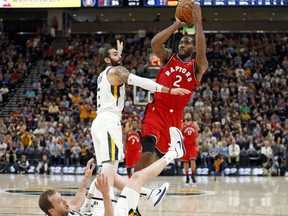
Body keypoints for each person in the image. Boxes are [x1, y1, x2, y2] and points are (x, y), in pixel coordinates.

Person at [91, 42, 190, 212]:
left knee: (109, 172)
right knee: (109, 171)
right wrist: (168, 90)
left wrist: (117, 55)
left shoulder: (103, 74)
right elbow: (137, 80)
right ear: (107, 59)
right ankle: (103, 210)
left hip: (99, 122)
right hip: (109, 121)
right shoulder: (115, 70)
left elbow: (115, 66)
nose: (120, 57)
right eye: (115, 54)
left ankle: (149, 193)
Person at [38, 127, 185, 216]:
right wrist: (106, 195)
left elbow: (76, 202)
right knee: (136, 177)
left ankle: (150, 194)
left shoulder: (62, 210)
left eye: (61, 197)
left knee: (105, 176)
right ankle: (174, 152)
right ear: (51, 210)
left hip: (97, 211)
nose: (64, 201)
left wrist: (85, 179)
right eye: (59, 201)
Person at [135, 1, 208, 171]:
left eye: (187, 43)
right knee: (147, 153)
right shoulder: (169, 58)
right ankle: (130, 190)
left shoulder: (196, 68)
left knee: (156, 160)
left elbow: (202, 53)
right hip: (157, 110)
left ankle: (138, 188)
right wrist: (177, 24)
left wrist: (197, 20)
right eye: (181, 42)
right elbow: (155, 44)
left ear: (194, 48)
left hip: (175, 117)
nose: (182, 44)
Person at [180, 112, 200, 184]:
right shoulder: (182, 125)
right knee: (185, 162)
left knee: (193, 160)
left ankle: (193, 175)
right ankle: (187, 176)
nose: (188, 115)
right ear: (184, 117)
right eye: (186, 114)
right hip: (185, 145)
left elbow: (198, 132)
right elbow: (179, 133)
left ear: (191, 116)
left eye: (189, 114)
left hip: (192, 145)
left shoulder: (194, 124)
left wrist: (197, 140)